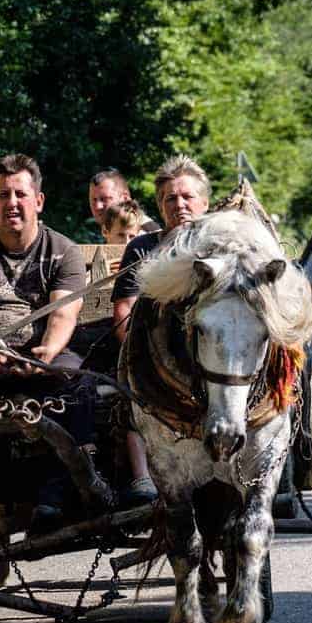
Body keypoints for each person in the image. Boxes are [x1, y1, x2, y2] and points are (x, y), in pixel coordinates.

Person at [0, 153, 96, 531]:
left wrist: (47, 352)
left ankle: (56, 492)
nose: (12, 203)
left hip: (45, 356)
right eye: (3, 195)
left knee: (80, 385)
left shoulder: (62, 251)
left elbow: (63, 312)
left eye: (20, 194)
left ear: (38, 201)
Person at [110, 154, 212, 506]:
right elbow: (124, 306)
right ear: (160, 206)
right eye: (171, 198)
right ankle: (143, 476)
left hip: (213, 357)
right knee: (131, 389)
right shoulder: (141, 248)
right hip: (154, 355)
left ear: (205, 202)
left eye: (188, 197)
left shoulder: (220, 245)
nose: (180, 205)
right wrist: (137, 352)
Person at [88, 168, 161, 234]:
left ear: (125, 198)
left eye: (105, 199)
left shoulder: (148, 233)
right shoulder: (113, 229)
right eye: (93, 200)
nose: (98, 206)